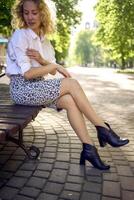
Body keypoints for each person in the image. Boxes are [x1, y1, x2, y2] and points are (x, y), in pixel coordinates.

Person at [6, 0, 129, 170]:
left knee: (71, 101)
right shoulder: (21, 35)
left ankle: (89, 149)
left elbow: (50, 72)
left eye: (34, 12)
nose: (30, 17)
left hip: (37, 88)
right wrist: (54, 65)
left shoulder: (45, 41)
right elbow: (27, 74)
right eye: (26, 13)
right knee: (71, 84)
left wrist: (43, 61)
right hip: (22, 89)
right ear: (21, 13)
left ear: (42, 13)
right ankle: (103, 129)